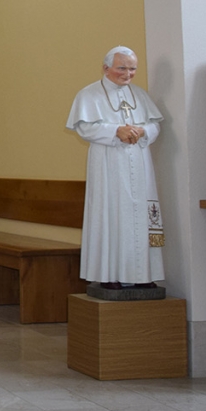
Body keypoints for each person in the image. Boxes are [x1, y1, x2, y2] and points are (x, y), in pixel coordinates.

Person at [66, 46, 165, 288]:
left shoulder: (140, 95)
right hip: (107, 163)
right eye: (122, 68)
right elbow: (84, 127)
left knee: (141, 215)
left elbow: (155, 125)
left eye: (132, 69)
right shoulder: (89, 94)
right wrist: (115, 131)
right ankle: (109, 276)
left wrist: (143, 131)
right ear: (106, 68)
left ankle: (143, 277)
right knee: (110, 213)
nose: (128, 74)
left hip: (140, 164)